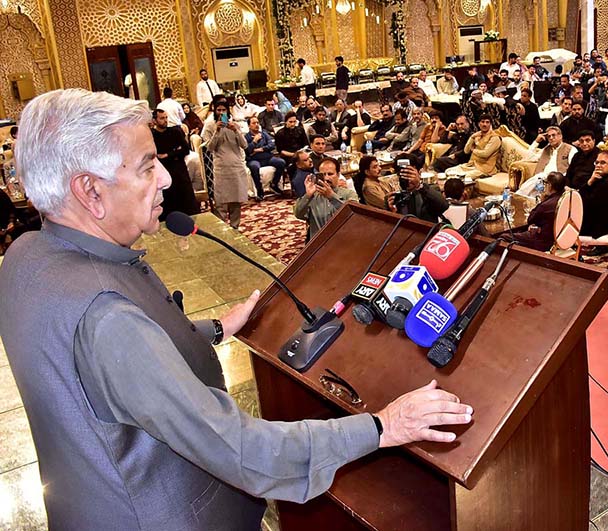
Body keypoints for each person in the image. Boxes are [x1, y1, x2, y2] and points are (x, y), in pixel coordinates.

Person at [0, 88, 473, 529]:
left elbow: (99, 372)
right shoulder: (108, 319)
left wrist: (209, 330)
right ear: (90, 191)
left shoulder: (25, 256)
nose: (167, 177)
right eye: (146, 166)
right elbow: (240, 449)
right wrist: (382, 426)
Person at [203, 99, 251, 229]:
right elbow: (210, 148)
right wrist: (217, 132)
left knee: (236, 202)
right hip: (221, 168)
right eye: (218, 110)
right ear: (214, 111)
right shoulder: (210, 126)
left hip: (236, 167)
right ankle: (222, 232)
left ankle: (235, 229)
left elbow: (244, 145)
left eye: (223, 110)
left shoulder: (234, 124)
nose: (221, 113)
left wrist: (236, 130)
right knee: (221, 203)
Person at [151, 109, 200, 219]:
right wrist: (175, 151)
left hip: (179, 173)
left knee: (188, 208)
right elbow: (155, 155)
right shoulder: (152, 136)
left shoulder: (175, 132)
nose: (165, 120)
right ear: (155, 120)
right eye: (162, 118)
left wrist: (168, 154)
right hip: (164, 174)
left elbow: (185, 149)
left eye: (166, 118)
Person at [294, 157, 358, 238]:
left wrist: (332, 197)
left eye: (330, 174)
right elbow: (298, 214)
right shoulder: (313, 196)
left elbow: (355, 216)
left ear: (338, 175)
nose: (327, 178)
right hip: (319, 244)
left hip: (344, 241)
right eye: (323, 174)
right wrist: (308, 195)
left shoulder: (349, 194)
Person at [511, 171, 567, 252]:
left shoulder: (546, 205)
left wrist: (543, 201)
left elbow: (531, 219)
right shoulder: (566, 198)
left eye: (546, 183)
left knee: (504, 237)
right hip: (562, 239)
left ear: (550, 186)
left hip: (543, 242)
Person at [386, 156, 448, 223]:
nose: (408, 179)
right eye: (403, 175)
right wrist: (392, 213)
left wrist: (419, 186)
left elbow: (444, 206)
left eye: (410, 174)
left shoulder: (430, 189)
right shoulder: (394, 196)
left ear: (419, 173)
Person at [578, 150, 608, 239]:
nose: (598, 165)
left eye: (603, 163)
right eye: (597, 162)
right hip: (590, 218)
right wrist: (590, 181)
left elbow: (586, 202)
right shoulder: (598, 178)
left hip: (597, 226)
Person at [244, 116, 286, 197]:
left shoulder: (264, 134)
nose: (256, 125)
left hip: (267, 158)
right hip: (254, 160)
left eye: (257, 123)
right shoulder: (246, 137)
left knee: (281, 162)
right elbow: (247, 151)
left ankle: (274, 184)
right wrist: (254, 141)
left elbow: (272, 145)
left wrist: (261, 149)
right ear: (249, 126)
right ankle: (259, 189)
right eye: (253, 123)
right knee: (254, 167)